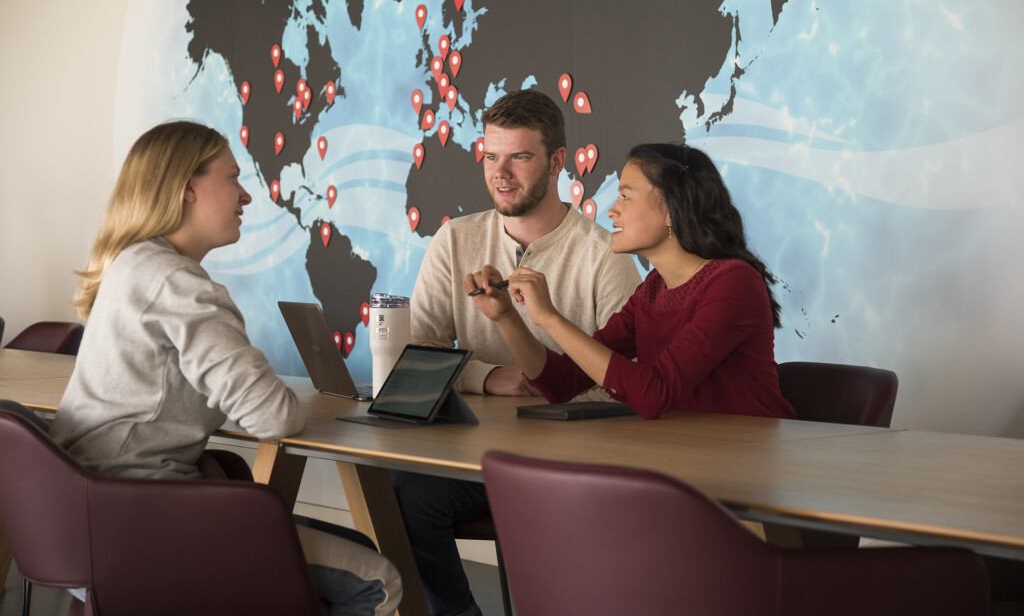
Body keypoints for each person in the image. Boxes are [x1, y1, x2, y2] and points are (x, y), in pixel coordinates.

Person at [50, 121, 402, 616]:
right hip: (143, 526)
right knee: (380, 580)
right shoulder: (178, 283)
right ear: (187, 188)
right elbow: (274, 417)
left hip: (88, 528)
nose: (246, 196)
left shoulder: (132, 264)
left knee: (343, 542)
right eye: (233, 177)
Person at [398, 89, 641, 616]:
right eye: (491, 157)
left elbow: (628, 383)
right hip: (473, 455)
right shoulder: (455, 240)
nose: (500, 173)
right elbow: (420, 351)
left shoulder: (605, 258)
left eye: (519, 157)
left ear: (558, 161)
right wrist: (487, 377)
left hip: (569, 460)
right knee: (401, 490)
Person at [466, 142, 796, 421]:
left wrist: (550, 318)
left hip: (750, 464)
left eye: (626, 196)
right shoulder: (651, 290)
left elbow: (654, 393)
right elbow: (560, 385)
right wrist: (507, 317)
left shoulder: (733, 283)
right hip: (689, 460)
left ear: (671, 210)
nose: (612, 210)